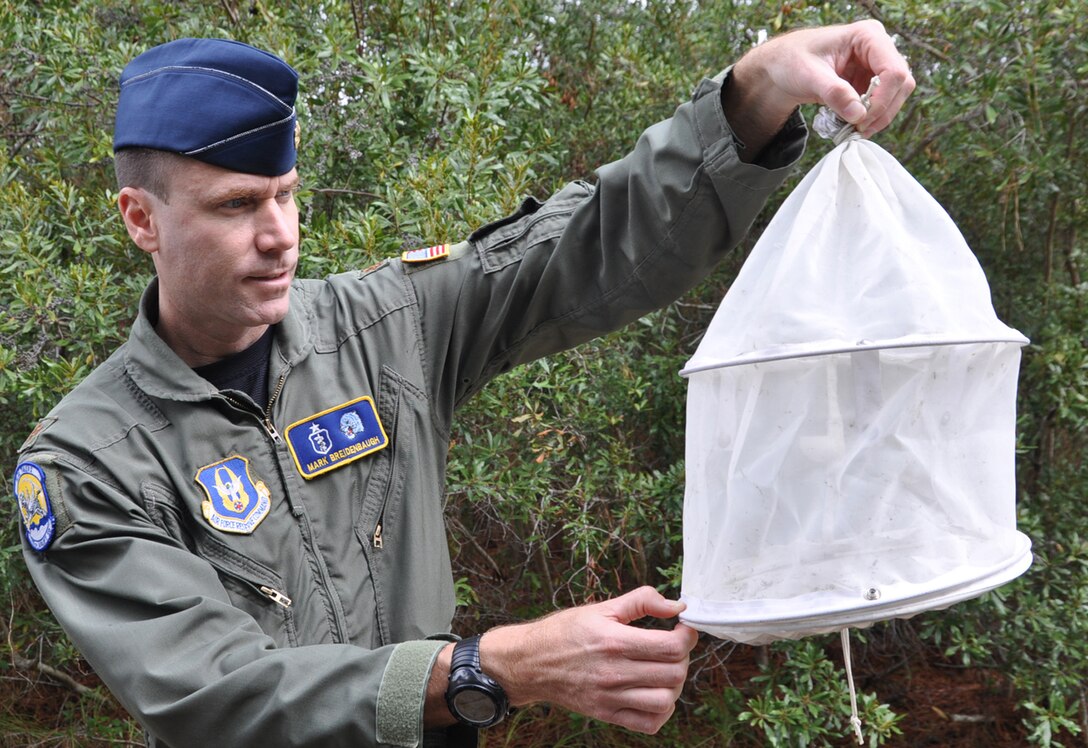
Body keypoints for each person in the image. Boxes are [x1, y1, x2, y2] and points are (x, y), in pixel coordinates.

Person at [12, 20, 913, 748]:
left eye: (287, 194)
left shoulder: (383, 326)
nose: (280, 234)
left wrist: (756, 93)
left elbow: (585, 246)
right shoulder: (85, 464)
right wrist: (493, 669)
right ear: (141, 219)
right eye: (237, 206)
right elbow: (222, 698)